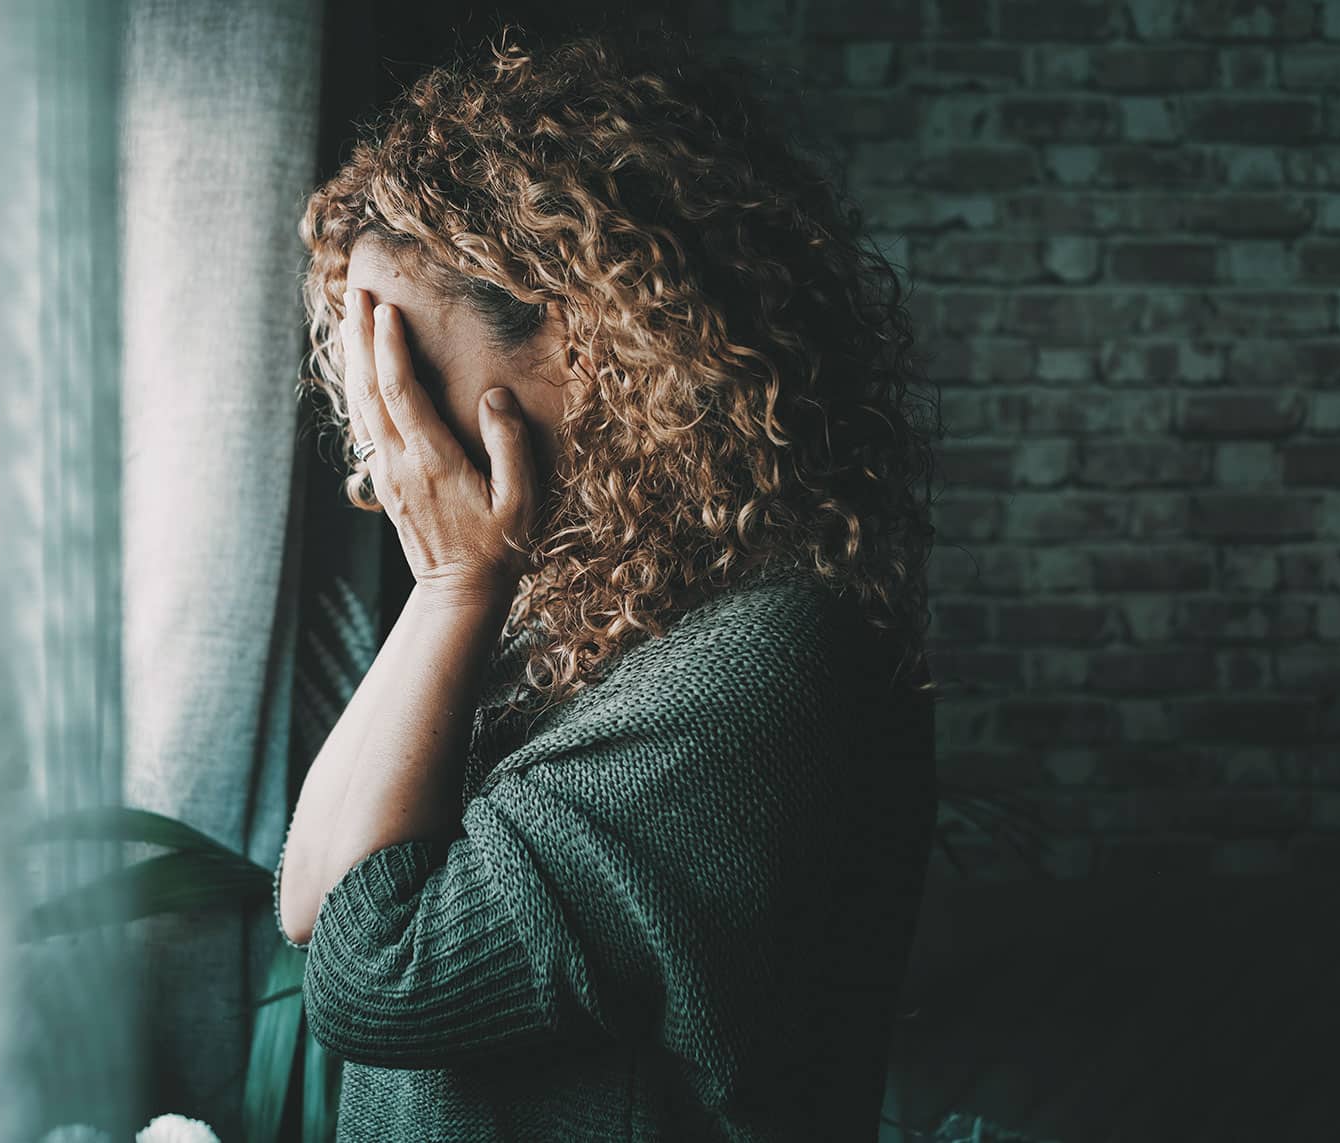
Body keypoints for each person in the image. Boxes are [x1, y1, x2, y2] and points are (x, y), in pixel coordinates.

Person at [273, 23, 941, 1142]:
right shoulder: (576, 605)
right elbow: (311, 900)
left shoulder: (769, 662)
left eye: (408, 368)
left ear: (588, 344)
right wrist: (459, 589)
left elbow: (375, 971)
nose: (385, 450)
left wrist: (452, 587)